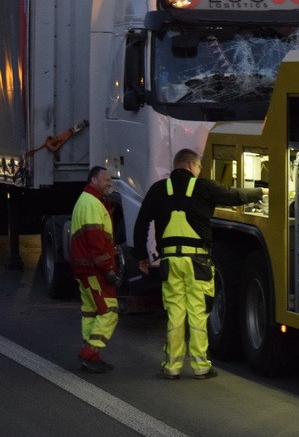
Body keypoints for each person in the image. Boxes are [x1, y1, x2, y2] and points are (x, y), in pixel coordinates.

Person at [133, 148, 267, 380]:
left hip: (170, 261)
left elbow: (141, 224)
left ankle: (172, 367)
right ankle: (200, 366)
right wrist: (261, 192)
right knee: (197, 312)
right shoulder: (202, 187)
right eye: (198, 167)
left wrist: (141, 257)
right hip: (198, 261)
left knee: (175, 313)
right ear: (189, 165)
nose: (198, 171)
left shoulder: (157, 190)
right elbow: (233, 195)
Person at [69, 166, 119, 373]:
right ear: (93, 180)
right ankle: (90, 353)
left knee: (91, 312)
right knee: (109, 311)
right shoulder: (91, 204)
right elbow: (95, 240)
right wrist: (108, 267)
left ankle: (91, 356)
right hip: (94, 269)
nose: (110, 183)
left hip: (84, 268)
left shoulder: (88, 201)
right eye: (106, 179)